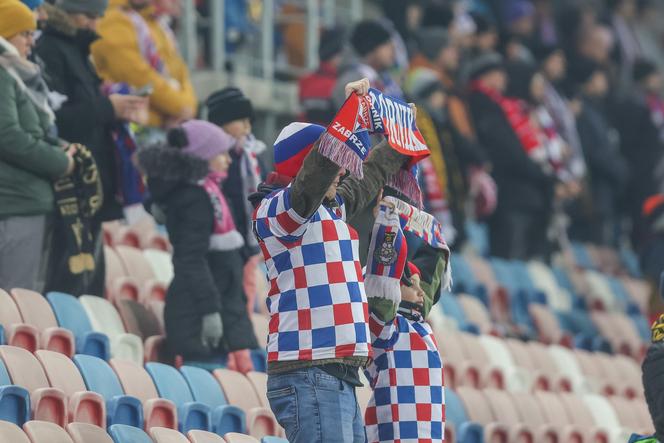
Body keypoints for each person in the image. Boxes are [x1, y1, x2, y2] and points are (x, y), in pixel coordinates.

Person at [250, 79, 410, 443]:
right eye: (337, 162)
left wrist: (398, 143)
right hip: (310, 371)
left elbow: (366, 177)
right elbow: (317, 173)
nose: (343, 170)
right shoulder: (277, 209)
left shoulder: (329, 209)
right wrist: (349, 114)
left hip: (333, 374)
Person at [34, 0, 147, 296]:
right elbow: (54, 121)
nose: (95, 24)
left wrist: (115, 110)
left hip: (90, 189)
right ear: (69, 14)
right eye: (89, 16)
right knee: (65, 282)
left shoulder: (77, 50)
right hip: (69, 188)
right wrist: (107, 107)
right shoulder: (50, 48)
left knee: (87, 283)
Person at [137, 120, 258, 370]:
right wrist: (210, 312)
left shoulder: (210, 191)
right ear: (202, 158)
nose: (227, 160)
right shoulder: (196, 198)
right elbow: (189, 260)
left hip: (212, 309)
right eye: (220, 154)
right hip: (197, 318)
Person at [0, 0, 73, 292]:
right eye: (24, 33)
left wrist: (62, 147)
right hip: (14, 202)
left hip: (25, 198)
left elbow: (35, 131)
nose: (32, 41)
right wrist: (61, 162)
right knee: (15, 303)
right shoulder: (2, 75)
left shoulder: (17, 74)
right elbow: (8, 136)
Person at [363, 199, 448, 443]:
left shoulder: (418, 322)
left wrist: (426, 225)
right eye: (413, 285)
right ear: (394, 286)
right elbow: (383, 267)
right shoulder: (384, 327)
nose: (421, 293)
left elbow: (433, 268)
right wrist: (388, 218)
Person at [468, 53, 556, 260]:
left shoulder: (508, 106)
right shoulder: (483, 102)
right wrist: (540, 174)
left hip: (526, 193)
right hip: (512, 194)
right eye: (499, 74)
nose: (504, 80)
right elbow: (507, 149)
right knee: (510, 255)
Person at [206, 86, 265, 318]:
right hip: (222, 246)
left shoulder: (251, 156)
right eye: (241, 120)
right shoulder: (214, 160)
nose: (247, 127)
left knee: (245, 301)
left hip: (247, 248)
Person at [91, 0, 197, 129]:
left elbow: (179, 69)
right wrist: (181, 107)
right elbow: (138, 78)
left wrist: (187, 105)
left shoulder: (152, 21)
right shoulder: (113, 18)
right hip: (135, 125)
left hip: (164, 120)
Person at [568, 57, 629, 246]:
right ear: (590, 79)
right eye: (601, 77)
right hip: (592, 189)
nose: (605, 82)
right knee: (590, 244)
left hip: (604, 190)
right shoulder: (583, 111)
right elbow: (592, 150)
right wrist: (619, 170)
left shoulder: (598, 109)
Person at [614, 58, 664, 248]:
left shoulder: (656, 104)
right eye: (655, 75)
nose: (659, 79)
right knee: (640, 219)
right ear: (645, 78)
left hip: (654, 173)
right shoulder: (634, 103)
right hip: (639, 173)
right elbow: (632, 141)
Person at [332, 19, 401, 110]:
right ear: (370, 48)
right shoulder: (351, 81)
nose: (393, 50)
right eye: (386, 44)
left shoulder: (384, 80)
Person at [298, 27, 345, 126]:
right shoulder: (341, 83)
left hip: (307, 138)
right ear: (336, 55)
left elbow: (301, 117)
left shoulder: (305, 81)